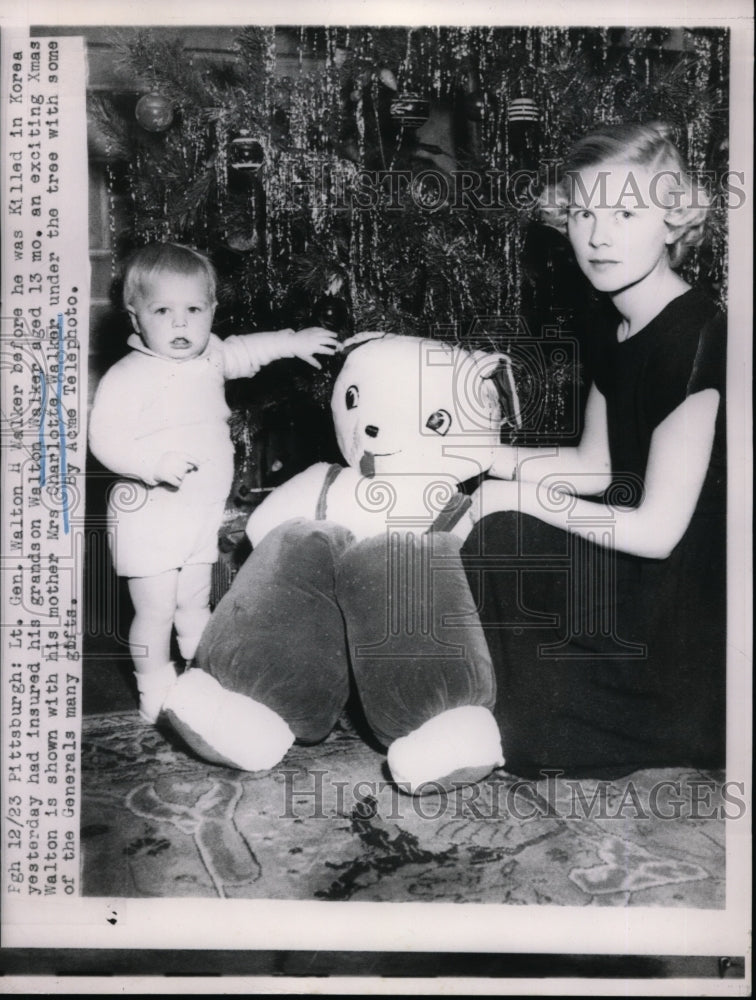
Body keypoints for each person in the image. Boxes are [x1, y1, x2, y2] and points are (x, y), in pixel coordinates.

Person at [463, 122, 727, 779]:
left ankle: (591, 720)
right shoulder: (615, 320)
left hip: (682, 615)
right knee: (496, 535)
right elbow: (594, 466)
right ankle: (513, 706)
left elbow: (659, 533)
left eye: (626, 213)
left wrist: (513, 497)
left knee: (504, 532)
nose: (599, 236)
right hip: (634, 570)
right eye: (584, 213)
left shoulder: (699, 338)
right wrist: (476, 455)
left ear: (673, 220)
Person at [88, 242, 339, 723]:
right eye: (163, 311)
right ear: (135, 317)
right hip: (148, 517)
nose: (181, 324)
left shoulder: (212, 355)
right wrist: (152, 463)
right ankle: (154, 687)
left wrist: (295, 342)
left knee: (194, 601)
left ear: (212, 310)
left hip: (198, 513)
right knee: (156, 610)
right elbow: (105, 439)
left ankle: (203, 673)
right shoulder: (128, 375)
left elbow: (249, 349)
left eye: (194, 310)